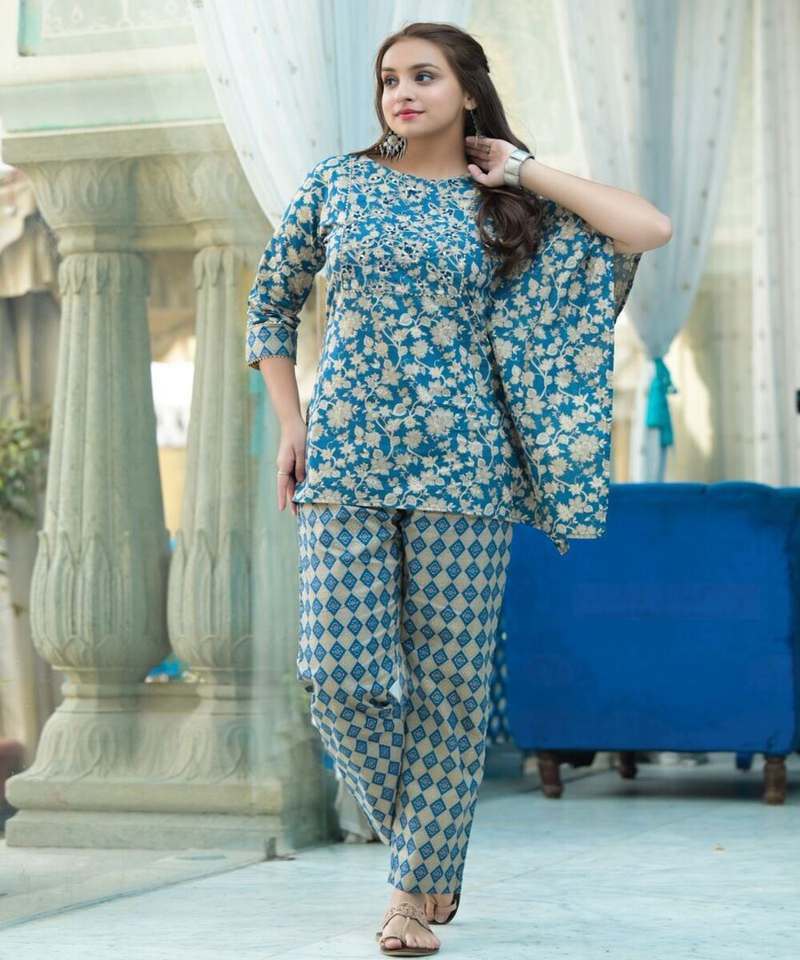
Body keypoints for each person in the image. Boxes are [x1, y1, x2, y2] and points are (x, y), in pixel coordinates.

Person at [245, 20, 669, 958]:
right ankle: (427, 854)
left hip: (468, 470)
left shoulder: (506, 207)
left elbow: (648, 229)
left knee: (449, 690)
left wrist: (523, 170)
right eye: (389, 78)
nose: (401, 93)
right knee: (337, 678)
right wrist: (290, 422)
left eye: (424, 76)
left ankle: (407, 896)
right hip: (345, 459)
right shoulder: (338, 184)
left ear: (468, 90)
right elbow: (270, 303)